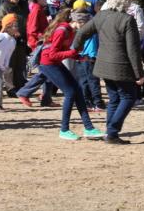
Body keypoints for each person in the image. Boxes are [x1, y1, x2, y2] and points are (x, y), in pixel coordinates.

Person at [73, 0, 143, 144]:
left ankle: (110, 132)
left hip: (103, 65)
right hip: (121, 66)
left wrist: (75, 49)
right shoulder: (127, 20)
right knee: (129, 96)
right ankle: (112, 131)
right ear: (126, 2)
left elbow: (82, 32)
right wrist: (138, 73)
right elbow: (133, 49)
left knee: (114, 99)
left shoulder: (101, 15)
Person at [39, 8, 104, 141]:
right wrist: (72, 53)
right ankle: (64, 130)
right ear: (78, 21)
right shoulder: (62, 31)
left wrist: (79, 57)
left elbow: (65, 51)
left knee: (78, 90)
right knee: (70, 92)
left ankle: (89, 128)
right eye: (86, 24)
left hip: (55, 63)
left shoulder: (71, 31)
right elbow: (52, 54)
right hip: (48, 64)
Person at [0, 0, 29, 94]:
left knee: (20, 64)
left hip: (21, 39)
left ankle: (20, 86)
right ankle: (10, 88)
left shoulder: (23, 6)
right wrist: (11, 32)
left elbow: (27, 21)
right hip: (9, 39)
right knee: (9, 65)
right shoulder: (4, 7)